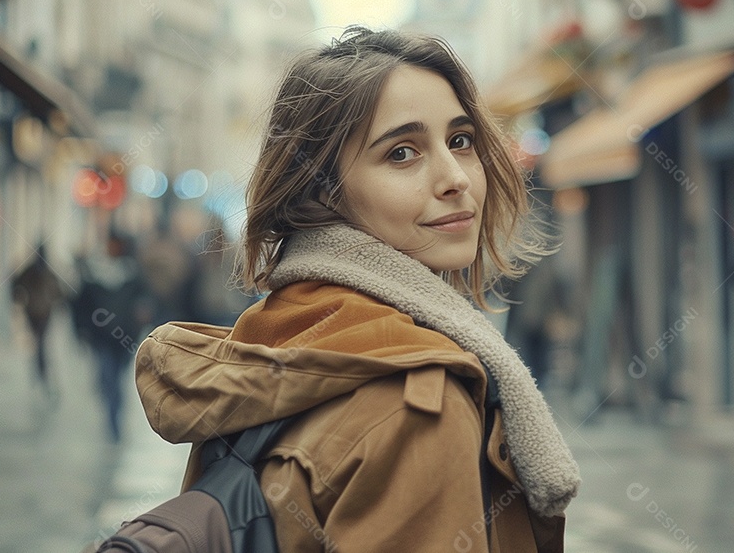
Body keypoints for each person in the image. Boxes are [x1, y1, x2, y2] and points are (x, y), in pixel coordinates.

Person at [135, 27, 580, 551]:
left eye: (460, 141)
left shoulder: (281, 330)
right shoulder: (420, 403)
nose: (455, 177)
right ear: (322, 191)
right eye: (401, 154)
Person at [74, 233, 147, 443]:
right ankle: (112, 417)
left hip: (124, 338)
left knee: (118, 380)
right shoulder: (93, 274)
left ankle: (116, 414)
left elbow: (144, 299)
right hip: (101, 338)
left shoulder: (132, 273)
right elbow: (80, 305)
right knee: (108, 377)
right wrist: (82, 329)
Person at [11, 244, 64, 392]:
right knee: (39, 343)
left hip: (43, 313)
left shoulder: (46, 272)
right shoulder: (31, 272)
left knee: (40, 342)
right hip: (34, 312)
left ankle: (41, 368)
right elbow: (17, 285)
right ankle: (40, 368)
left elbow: (59, 292)